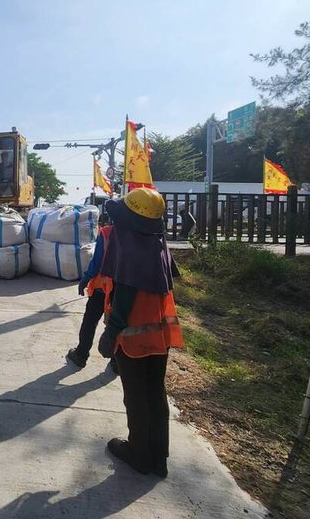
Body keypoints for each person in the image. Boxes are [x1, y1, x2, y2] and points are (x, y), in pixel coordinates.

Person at [96, 188, 184, 478]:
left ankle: (139, 454)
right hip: (160, 335)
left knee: (136, 396)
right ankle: (158, 458)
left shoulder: (128, 243)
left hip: (133, 336)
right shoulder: (158, 243)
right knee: (155, 393)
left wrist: (111, 332)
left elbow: (125, 292)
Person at [66, 213, 114, 370]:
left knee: (90, 321)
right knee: (116, 324)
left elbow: (97, 260)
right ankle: (117, 362)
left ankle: (81, 355)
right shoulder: (135, 235)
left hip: (102, 286)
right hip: (122, 289)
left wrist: (86, 279)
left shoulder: (106, 233)